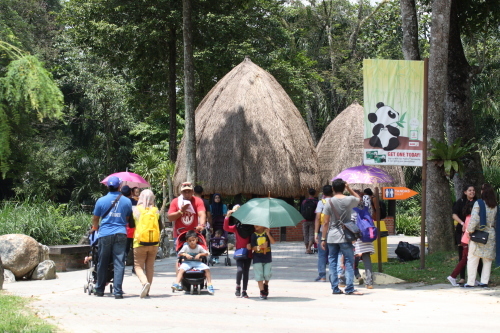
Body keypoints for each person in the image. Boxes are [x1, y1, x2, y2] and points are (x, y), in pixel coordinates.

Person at [91, 176, 132, 299]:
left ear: (108, 186)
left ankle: (99, 289)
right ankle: (118, 291)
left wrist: (95, 227)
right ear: (119, 186)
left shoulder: (101, 201)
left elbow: (95, 219)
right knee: (119, 263)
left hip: (105, 234)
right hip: (120, 233)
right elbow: (128, 218)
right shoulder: (127, 201)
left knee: (102, 262)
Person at [321, 178, 362, 295]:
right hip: (345, 236)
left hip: (332, 236)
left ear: (333, 189)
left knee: (332, 262)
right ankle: (349, 288)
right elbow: (359, 199)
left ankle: (335, 288)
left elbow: (325, 222)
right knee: (349, 261)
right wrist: (349, 189)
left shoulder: (328, 202)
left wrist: (323, 238)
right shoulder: (349, 199)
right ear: (344, 188)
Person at [464, 183, 498, 288]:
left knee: (473, 258)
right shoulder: (495, 206)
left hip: (479, 234)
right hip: (491, 234)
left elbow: (475, 219)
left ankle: (470, 282)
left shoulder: (479, 203)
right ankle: (484, 282)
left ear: (483, 192)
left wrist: (469, 231)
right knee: (487, 260)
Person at [133, 189, 160, 298]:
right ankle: (148, 290)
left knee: (138, 266)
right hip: (154, 243)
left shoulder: (136, 210)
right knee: (150, 266)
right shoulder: (155, 211)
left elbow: (131, 223)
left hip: (139, 243)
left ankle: (144, 283)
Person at [171, 230, 214, 294]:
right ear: (187, 241)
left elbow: (206, 253)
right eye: (190, 241)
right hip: (187, 263)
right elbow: (180, 253)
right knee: (181, 270)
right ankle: (177, 283)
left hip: (198, 263)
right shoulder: (186, 247)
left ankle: (209, 284)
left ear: (196, 239)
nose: (192, 242)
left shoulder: (199, 247)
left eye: (193, 240)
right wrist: (185, 254)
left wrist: (200, 254)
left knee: (207, 269)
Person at [224, 205, 254, 298]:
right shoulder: (236, 227)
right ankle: (238, 287)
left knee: (246, 271)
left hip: (248, 252)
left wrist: (252, 245)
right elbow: (226, 228)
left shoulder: (251, 228)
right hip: (239, 252)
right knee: (240, 270)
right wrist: (227, 217)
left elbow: (254, 238)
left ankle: (244, 291)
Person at [452, 184, 478, 284]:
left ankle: (475, 277)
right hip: (461, 231)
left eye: (473, 190)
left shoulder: (477, 202)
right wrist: (462, 223)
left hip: (474, 232)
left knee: (475, 255)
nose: (472, 192)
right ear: (465, 192)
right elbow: (454, 214)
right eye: (470, 190)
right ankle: (462, 277)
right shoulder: (460, 202)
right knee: (462, 255)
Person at [447, 199, 475, 286]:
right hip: (467, 241)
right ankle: (453, 276)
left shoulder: (468, 217)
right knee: (465, 260)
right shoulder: (471, 218)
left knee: (468, 260)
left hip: (465, 241)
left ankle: (472, 278)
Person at [352, 189, 374, 289]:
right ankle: (369, 282)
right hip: (366, 233)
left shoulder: (352, 209)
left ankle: (355, 275)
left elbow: (351, 222)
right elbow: (372, 214)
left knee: (353, 256)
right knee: (366, 257)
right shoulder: (367, 207)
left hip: (356, 235)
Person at [251, 225, 276, 300]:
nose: (256, 226)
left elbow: (273, 242)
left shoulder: (266, 233)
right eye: (255, 224)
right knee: (259, 275)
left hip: (267, 257)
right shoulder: (253, 235)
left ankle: (266, 285)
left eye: (258, 224)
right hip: (257, 258)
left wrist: (268, 234)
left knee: (267, 274)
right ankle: (262, 291)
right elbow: (253, 247)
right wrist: (261, 246)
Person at [314, 185, 332, 282]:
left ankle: (322, 276)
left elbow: (317, 218)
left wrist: (316, 232)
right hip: (334, 231)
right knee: (333, 254)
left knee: (322, 254)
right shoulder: (336, 202)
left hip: (322, 230)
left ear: (323, 194)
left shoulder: (321, 202)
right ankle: (334, 275)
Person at [120, 185, 136, 270]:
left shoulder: (119, 202)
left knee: (123, 250)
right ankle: (135, 268)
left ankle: (121, 267)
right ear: (131, 193)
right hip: (134, 229)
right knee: (135, 249)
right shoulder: (136, 202)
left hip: (123, 229)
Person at [300, 188, 318, 254]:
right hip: (313, 220)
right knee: (311, 234)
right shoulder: (316, 202)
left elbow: (301, 210)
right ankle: (309, 248)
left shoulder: (304, 201)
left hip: (304, 220)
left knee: (305, 234)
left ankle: (306, 248)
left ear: (308, 193)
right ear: (315, 193)